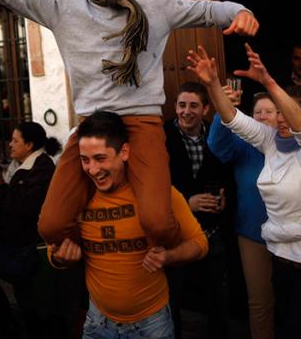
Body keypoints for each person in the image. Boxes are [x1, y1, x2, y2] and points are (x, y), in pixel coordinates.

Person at [0, 0, 259, 249]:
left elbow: (208, 9)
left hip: (142, 121)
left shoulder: (154, 1)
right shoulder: (64, 4)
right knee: (52, 225)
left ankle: (173, 243)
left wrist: (239, 12)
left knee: (158, 223)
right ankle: (101, 255)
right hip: (92, 126)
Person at [187, 43, 301, 339]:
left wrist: (267, 81)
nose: (281, 118)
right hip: (279, 262)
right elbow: (233, 119)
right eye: (278, 112)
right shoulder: (270, 142)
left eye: (287, 111)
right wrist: (211, 84)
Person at [49, 111, 209, 339]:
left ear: (124, 152)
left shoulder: (158, 196)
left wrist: (168, 257)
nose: (92, 170)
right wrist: (59, 258)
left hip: (151, 325)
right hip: (97, 323)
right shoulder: (80, 197)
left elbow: (200, 243)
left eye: (100, 158)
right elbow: (53, 249)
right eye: (85, 160)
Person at [0, 121, 77, 338]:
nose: (10, 144)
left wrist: (0, 189)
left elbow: (26, 205)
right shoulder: (24, 166)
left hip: (34, 251)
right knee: (31, 306)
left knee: (42, 309)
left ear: (29, 145)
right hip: (26, 250)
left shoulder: (41, 167)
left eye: (15, 140)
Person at [163, 81, 231, 338]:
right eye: (182, 105)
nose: (186, 111)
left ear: (205, 109)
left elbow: (228, 171)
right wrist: (186, 202)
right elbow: (157, 182)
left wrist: (225, 198)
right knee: (173, 298)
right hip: (176, 233)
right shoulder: (162, 137)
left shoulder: (216, 134)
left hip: (212, 230)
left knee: (219, 297)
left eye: (193, 105)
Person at [208, 89, 276, 339]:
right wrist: (222, 112)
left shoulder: (292, 143)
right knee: (259, 300)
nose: (262, 117)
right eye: (257, 112)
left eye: (268, 111)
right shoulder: (244, 145)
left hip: (291, 235)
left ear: (280, 115)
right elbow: (217, 144)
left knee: (293, 295)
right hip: (252, 234)